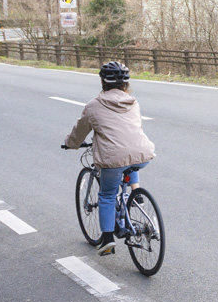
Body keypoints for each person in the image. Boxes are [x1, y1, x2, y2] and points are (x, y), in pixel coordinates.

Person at [64, 61, 156, 256]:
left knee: (106, 195)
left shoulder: (94, 105)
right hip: (142, 153)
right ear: (126, 84)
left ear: (102, 81)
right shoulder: (133, 101)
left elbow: (79, 132)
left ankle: (107, 239)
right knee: (130, 160)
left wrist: (71, 143)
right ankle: (135, 193)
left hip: (113, 160)